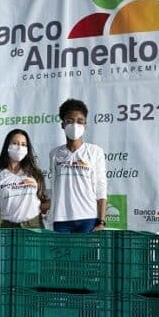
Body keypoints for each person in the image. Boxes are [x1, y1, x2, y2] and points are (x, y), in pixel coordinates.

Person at [49, 99, 107, 232]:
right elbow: (55, 186)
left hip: (88, 218)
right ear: (62, 124)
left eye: (80, 121)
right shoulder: (54, 154)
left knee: (86, 254)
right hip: (61, 218)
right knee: (62, 253)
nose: (75, 125)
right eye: (70, 121)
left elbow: (101, 188)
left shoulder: (95, 152)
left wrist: (101, 221)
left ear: (85, 125)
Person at [0, 129, 49, 228]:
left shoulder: (35, 174)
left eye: (23, 144)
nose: (19, 147)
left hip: (33, 227)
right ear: (7, 146)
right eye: (15, 143)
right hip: (8, 228)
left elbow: (43, 202)